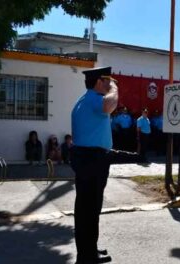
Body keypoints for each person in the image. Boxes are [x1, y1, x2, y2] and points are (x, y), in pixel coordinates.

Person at [70, 66, 118, 263]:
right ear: (99, 82)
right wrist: (115, 88)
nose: (110, 83)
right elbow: (109, 105)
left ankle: (89, 251)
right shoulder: (94, 100)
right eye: (107, 80)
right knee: (89, 209)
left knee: (88, 209)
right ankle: (87, 256)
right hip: (92, 160)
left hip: (88, 159)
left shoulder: (84, 100)